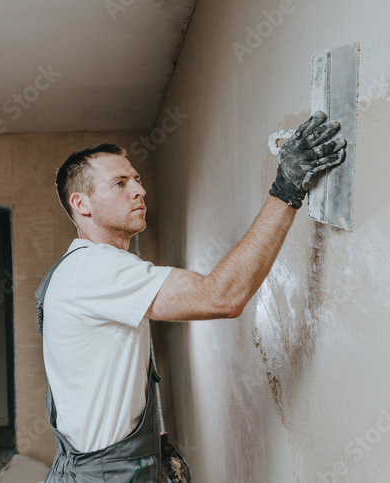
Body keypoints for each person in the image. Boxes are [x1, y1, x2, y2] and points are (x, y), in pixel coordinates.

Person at [37, 112, 345, 481]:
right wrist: (287, 189)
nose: (139, 190)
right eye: (119, 183)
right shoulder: (95, 269)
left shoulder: (80, 269)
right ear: (82, 204)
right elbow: (222, 297)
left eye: (136, 179)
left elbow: (105, 376)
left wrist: (154, 445)